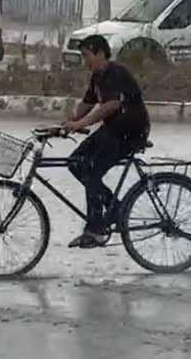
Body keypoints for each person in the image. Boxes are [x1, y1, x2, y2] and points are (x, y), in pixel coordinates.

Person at [63, 35, 150, 248]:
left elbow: (109, 106)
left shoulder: (115, 73)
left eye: (86, 55)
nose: (85, 61)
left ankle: (96, 228)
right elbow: (87, 103)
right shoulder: (97, 76)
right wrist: (68, 122)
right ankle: (115, 208)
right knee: (75, 162)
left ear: (100, 53)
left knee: (91, 169)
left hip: (130, 131)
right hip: (113, 129)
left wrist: (82, 122)